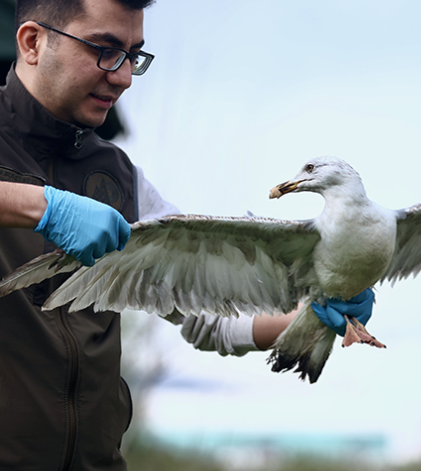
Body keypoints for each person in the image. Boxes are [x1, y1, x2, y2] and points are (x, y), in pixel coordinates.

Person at [0, 0, 372, 468]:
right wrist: (38, 205)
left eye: (134, 54)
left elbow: (207, 312)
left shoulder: (119, 178)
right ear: (32, 42)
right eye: (104, 49)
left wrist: (310, 314)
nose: (123, 76)